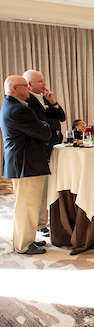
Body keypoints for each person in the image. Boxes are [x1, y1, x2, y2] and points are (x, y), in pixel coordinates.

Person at [0, 75, 52, 255]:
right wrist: (44, 125)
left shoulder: (11, 106)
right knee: (27, 206)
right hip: (26, 163)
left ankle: (25, 239)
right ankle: (23, 244)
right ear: (14, 88)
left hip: (23, 162)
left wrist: (42, 125)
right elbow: (44, 132)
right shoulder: (19, 110)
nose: (28, 89)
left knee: (25, 205)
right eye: (24, 86)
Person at [23, 69, 66, 237]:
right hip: (40, 150)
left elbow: (61, 117)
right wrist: (53, 122)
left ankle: (45, 221)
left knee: (48, 186)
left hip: (52, 147)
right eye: (41, 81)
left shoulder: (44, 100)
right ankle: (40, 223)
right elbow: (44, 124)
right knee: (40, 189)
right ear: (30, 84)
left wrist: (53, 102)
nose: (44, 84)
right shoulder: (29, 102)